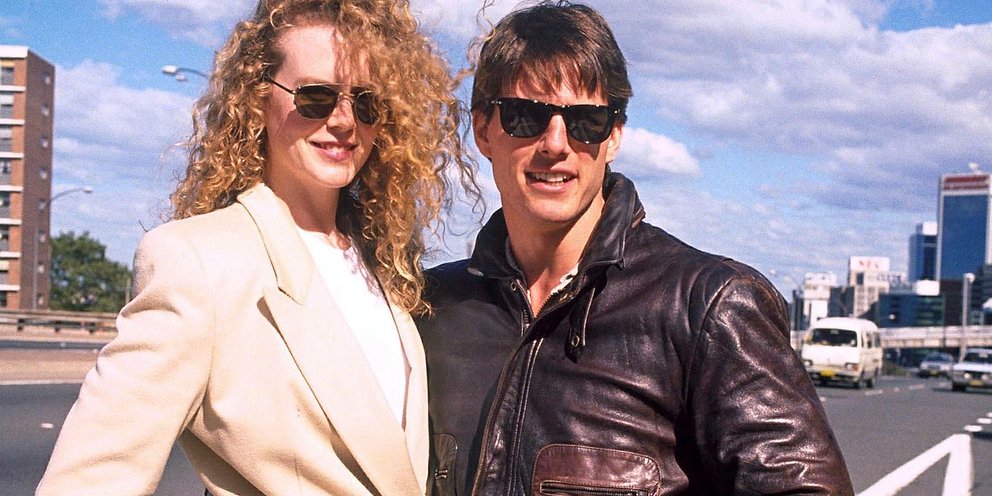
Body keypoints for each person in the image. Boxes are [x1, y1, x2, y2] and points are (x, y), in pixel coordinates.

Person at [37, 0, 475, 494]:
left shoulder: (384, 268)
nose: (344, 121)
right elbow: (90, 478)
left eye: (367, 102)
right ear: (258, 100)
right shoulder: (197, 261)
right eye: (316, 97)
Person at [417, 2, 855, 495]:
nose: (556, 143)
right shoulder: (431, 308)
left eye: (586, 121)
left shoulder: (707, 306)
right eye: (526, 116)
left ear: (614, 137)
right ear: (482, 130)